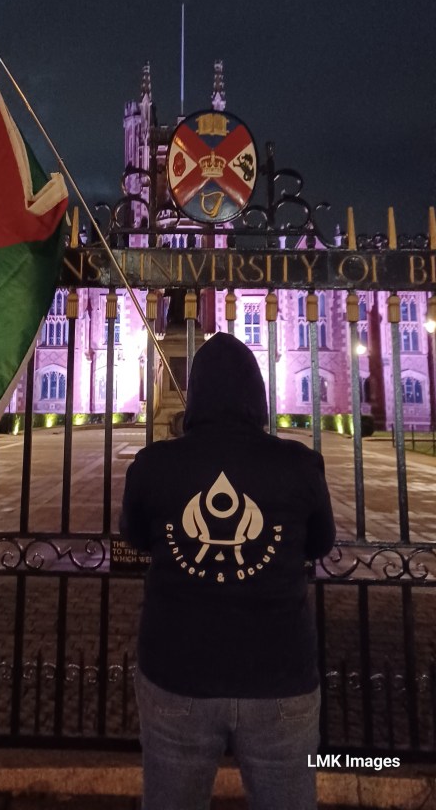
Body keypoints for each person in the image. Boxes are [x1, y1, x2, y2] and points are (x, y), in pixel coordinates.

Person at [120, 333, 336, 810]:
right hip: (279, 677)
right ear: (257, 396)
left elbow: (134, 536)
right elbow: (321, 544)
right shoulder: (300, 465)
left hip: (178, 673)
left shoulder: (154, 466)